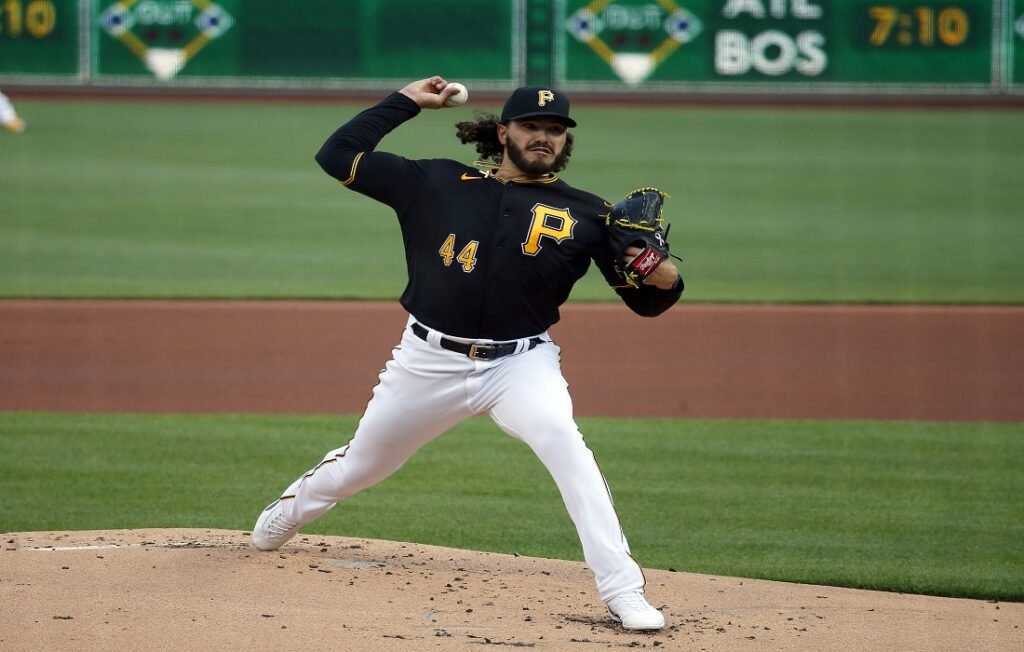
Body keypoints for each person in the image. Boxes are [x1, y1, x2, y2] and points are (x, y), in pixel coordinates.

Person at [252, 76, 683, 631]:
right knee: (363, 466)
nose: (544, 137)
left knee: (564, 443)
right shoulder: (433, 180)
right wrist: (405, 102)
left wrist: (655, 266)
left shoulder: (591, 215)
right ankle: (292, 510)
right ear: (504, 132)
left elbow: (651, 305)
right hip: (427, 360)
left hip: (520, 364)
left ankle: (624, 591)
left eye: (555, 130)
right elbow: (336, 155)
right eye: (532, 126)